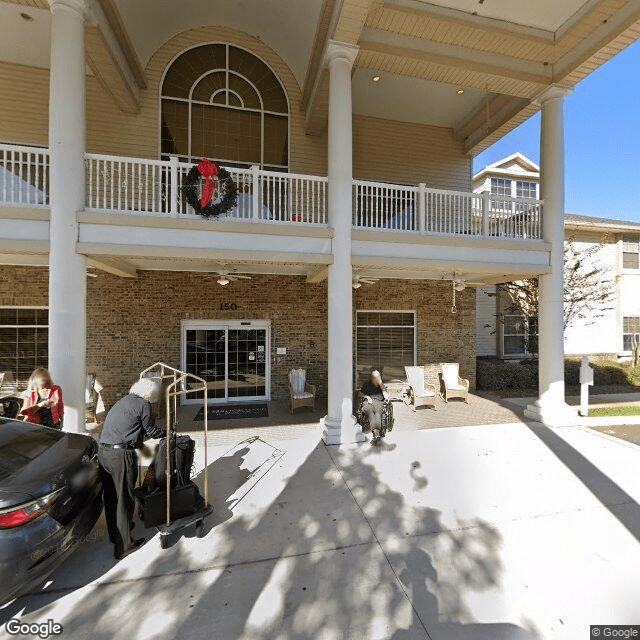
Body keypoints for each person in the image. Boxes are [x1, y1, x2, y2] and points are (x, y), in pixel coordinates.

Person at [98, 377, 164, 560]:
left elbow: (131, 428)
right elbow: (150, 431)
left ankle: (116, 533)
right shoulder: (143, 405)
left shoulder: (123, 401)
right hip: (121, 457)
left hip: (104, 452)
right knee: (124, 499)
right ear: (150, 394)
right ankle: (124, 545)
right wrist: (164, 433)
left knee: (111, 497)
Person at [360, 370, 388, 445]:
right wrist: (367, 397)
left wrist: (381, 384)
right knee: (370, 412)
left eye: (378, 377)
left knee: (378, 413)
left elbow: (386, 396)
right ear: (371, 378)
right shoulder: (367, 384)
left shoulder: (381, 386)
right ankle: (377, 436)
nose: (376, 379)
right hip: (368, 402)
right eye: (375, 377)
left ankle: (376, 435)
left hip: (379, 402)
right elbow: (360, 394)